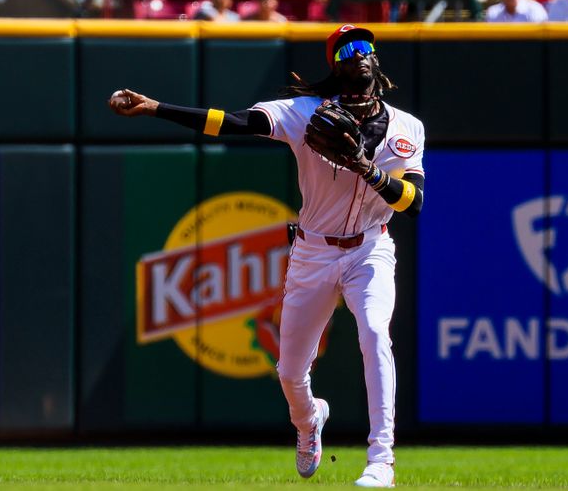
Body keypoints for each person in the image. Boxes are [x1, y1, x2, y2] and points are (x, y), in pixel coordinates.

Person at [108, 24, 424, 489]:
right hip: (313, 252)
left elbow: (413, 202)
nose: (358, 53)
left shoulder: (406, 126)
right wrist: (158, 108)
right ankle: (309, 421)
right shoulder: (304, 113)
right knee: (291, 370)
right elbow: (232, 122)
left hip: (371, 248)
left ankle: (382, 459)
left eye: (365, 46)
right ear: (335, 66)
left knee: (376, 333)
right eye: (346, 49)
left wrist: (367, 169)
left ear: (376, 60)